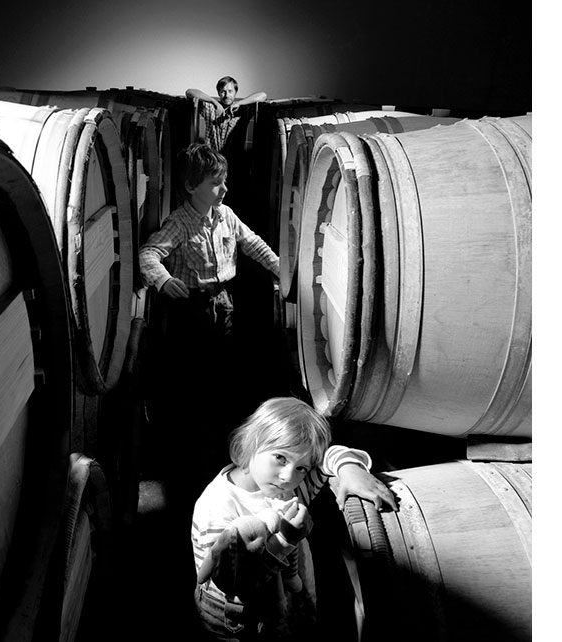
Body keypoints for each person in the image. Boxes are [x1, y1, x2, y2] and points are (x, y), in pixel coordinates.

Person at [190, 397, 398, 641]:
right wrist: (286, 539)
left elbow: (328, 456)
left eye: (302, 468)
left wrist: (349, 469)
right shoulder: (217, 506)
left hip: (288, 600)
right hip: (237, 619)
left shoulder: (287, 489)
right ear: (248, 445)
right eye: (280, 457)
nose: (288, 475)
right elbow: (232, 583)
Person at [139, 142, 281, 482]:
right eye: (216, 183)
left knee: (223, 365)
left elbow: (253, 243)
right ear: (191, 186)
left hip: (223, 302)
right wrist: (163, 280)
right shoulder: (180, 222)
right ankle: (193, 450)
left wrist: (280, 268)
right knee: (194, 373)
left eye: (225, 181)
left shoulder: (227, 215)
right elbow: (148, 254)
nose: (224, 188)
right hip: (192, 307)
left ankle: (222, 438)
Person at [187, 76, 268, 153]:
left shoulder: (243, 110)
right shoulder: (210, 108)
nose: (227, 95)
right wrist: (214, 102)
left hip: (234, 160)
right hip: (212, 159)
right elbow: (189, 92)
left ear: (235, 92)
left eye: (230, 91)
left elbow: (263, 95)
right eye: (223, 91)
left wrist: (239, 103)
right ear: (218, 93)